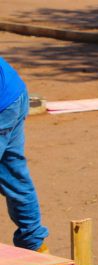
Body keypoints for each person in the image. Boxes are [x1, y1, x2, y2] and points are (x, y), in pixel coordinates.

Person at [0, 57, 49, 252]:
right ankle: (35, 245)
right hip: (13, 92)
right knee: (13, 174)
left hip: (4, 103)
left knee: (13, 174)